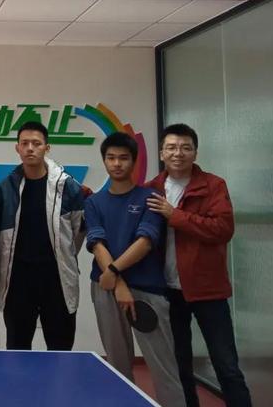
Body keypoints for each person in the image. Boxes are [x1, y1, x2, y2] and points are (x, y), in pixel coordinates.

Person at [147, 124, 252, 407]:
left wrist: (175, 215)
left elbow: (223, 229)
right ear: (161, 153)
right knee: (179, 363)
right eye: (171, 147)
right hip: (167, 290)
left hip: (208, 289)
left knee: (226, 365)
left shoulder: (214, 185)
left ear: (195, 152)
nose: (178, 153)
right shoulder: (151, 189)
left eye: (185, 147)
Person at [86, 132, 185, 407]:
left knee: (164, 367)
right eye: (111, 158)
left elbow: (145, 242)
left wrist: (113, 271)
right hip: (106, 289)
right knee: (117, 366)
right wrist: (117, 283)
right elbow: (97, 244)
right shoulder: (94, 202)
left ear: (134, 161)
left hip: (147, 290)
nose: (117, 163)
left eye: (123, 158)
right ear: (104, 161)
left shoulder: (151, 197)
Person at [0, 121, 86, 350]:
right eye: (24, 143)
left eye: (36, 143)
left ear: (47, 147)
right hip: (18, 280)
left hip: (57, 278)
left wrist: (64, 255)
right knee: (17, 348)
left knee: (60, 349)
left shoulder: (68, 187)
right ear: (17, 148)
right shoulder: (6, 188)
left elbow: (78, 232)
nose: (30, 148)